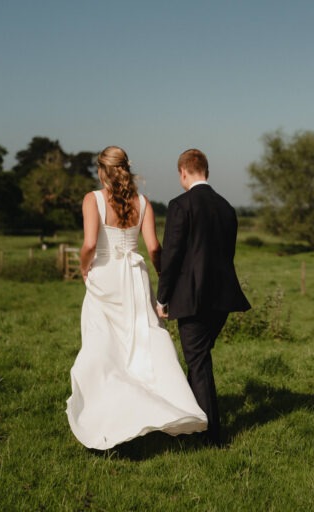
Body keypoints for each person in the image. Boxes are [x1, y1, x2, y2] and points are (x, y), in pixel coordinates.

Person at [66, 146, 207, 450]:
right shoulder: (143, 203)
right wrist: (162, 286)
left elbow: (90, 243)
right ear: (126, 169)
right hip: (134, 277)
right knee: (144, 341)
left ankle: (109, 415)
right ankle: (172, 406)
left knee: (103, 344)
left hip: (104, 276)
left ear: (101, 170)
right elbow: (155, 248)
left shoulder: (92, 200)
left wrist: (82, 266)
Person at [156, 148, 251, 446]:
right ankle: (189, 422)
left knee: (197, 363)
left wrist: (162, 297)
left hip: (191, 297)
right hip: (222, 298)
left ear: (183, 172)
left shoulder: (180, 205)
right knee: (199, 359)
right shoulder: (226, 207)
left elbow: (171, 256)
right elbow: (228, 255)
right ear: (205, 171)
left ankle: (210, 436)